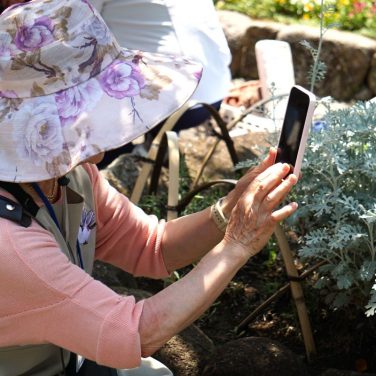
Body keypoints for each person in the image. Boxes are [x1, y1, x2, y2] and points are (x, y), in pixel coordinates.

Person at [0, 0, 298, 375]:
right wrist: (237, 245)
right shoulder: (9, 242)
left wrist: (229, 208)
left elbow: (152, 246)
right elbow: (134, 334)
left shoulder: (69, 176)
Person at [89, 0, 233, 167]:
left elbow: (77, 25)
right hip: (212, 94)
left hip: (170, 107)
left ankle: (116, 161)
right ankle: (156, 145)